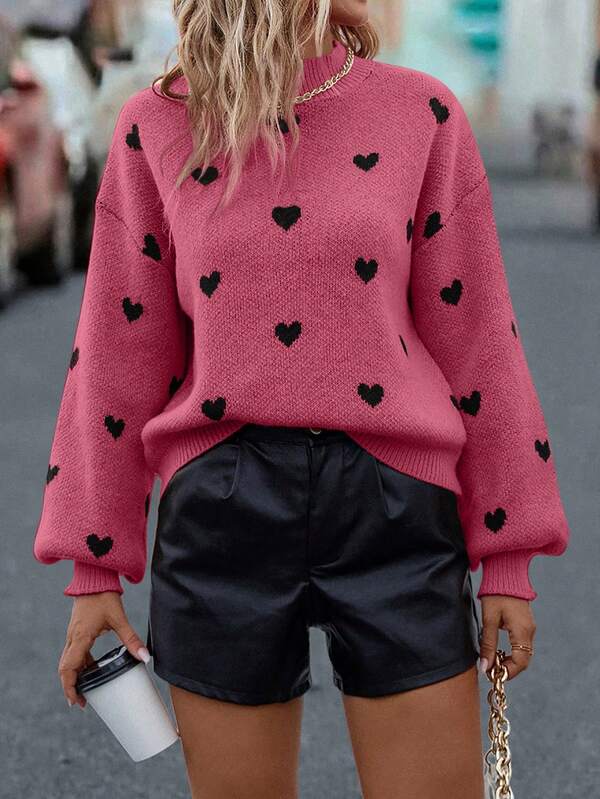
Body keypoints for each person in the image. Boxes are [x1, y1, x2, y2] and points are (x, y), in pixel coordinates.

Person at [32, 1, 570, 796]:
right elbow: (116, 351)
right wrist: (93, 570)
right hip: (222, 505)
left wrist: (507, 559)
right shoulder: (157, 124)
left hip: (394, 501)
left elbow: (480, 339)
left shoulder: (420, 114)